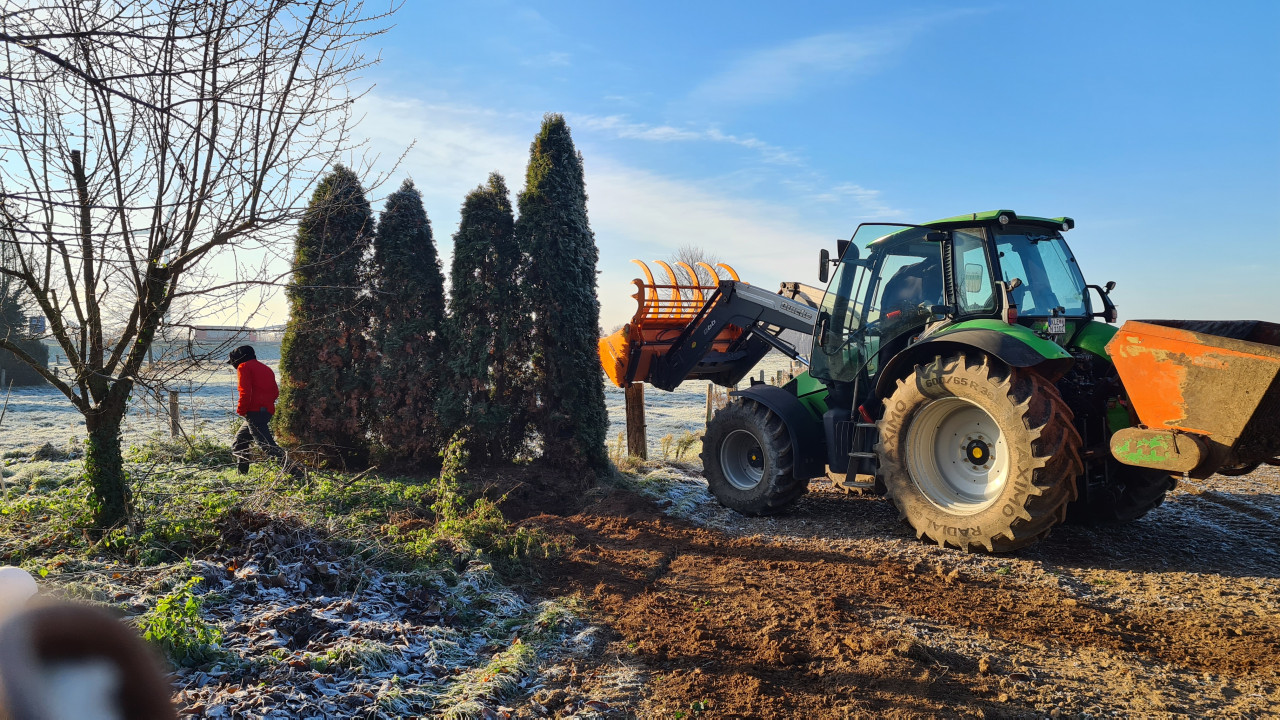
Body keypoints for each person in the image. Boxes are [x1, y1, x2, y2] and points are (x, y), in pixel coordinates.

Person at [229, 345, 286, 474]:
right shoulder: (266, 368)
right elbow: (275, 392)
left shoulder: (244, 367)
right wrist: (265, 404)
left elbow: (245, 392)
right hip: (266, 412)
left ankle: (298, 474)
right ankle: (242, 475)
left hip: (254, 413)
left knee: (267, 446)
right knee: (239, 442)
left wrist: (241, 410)